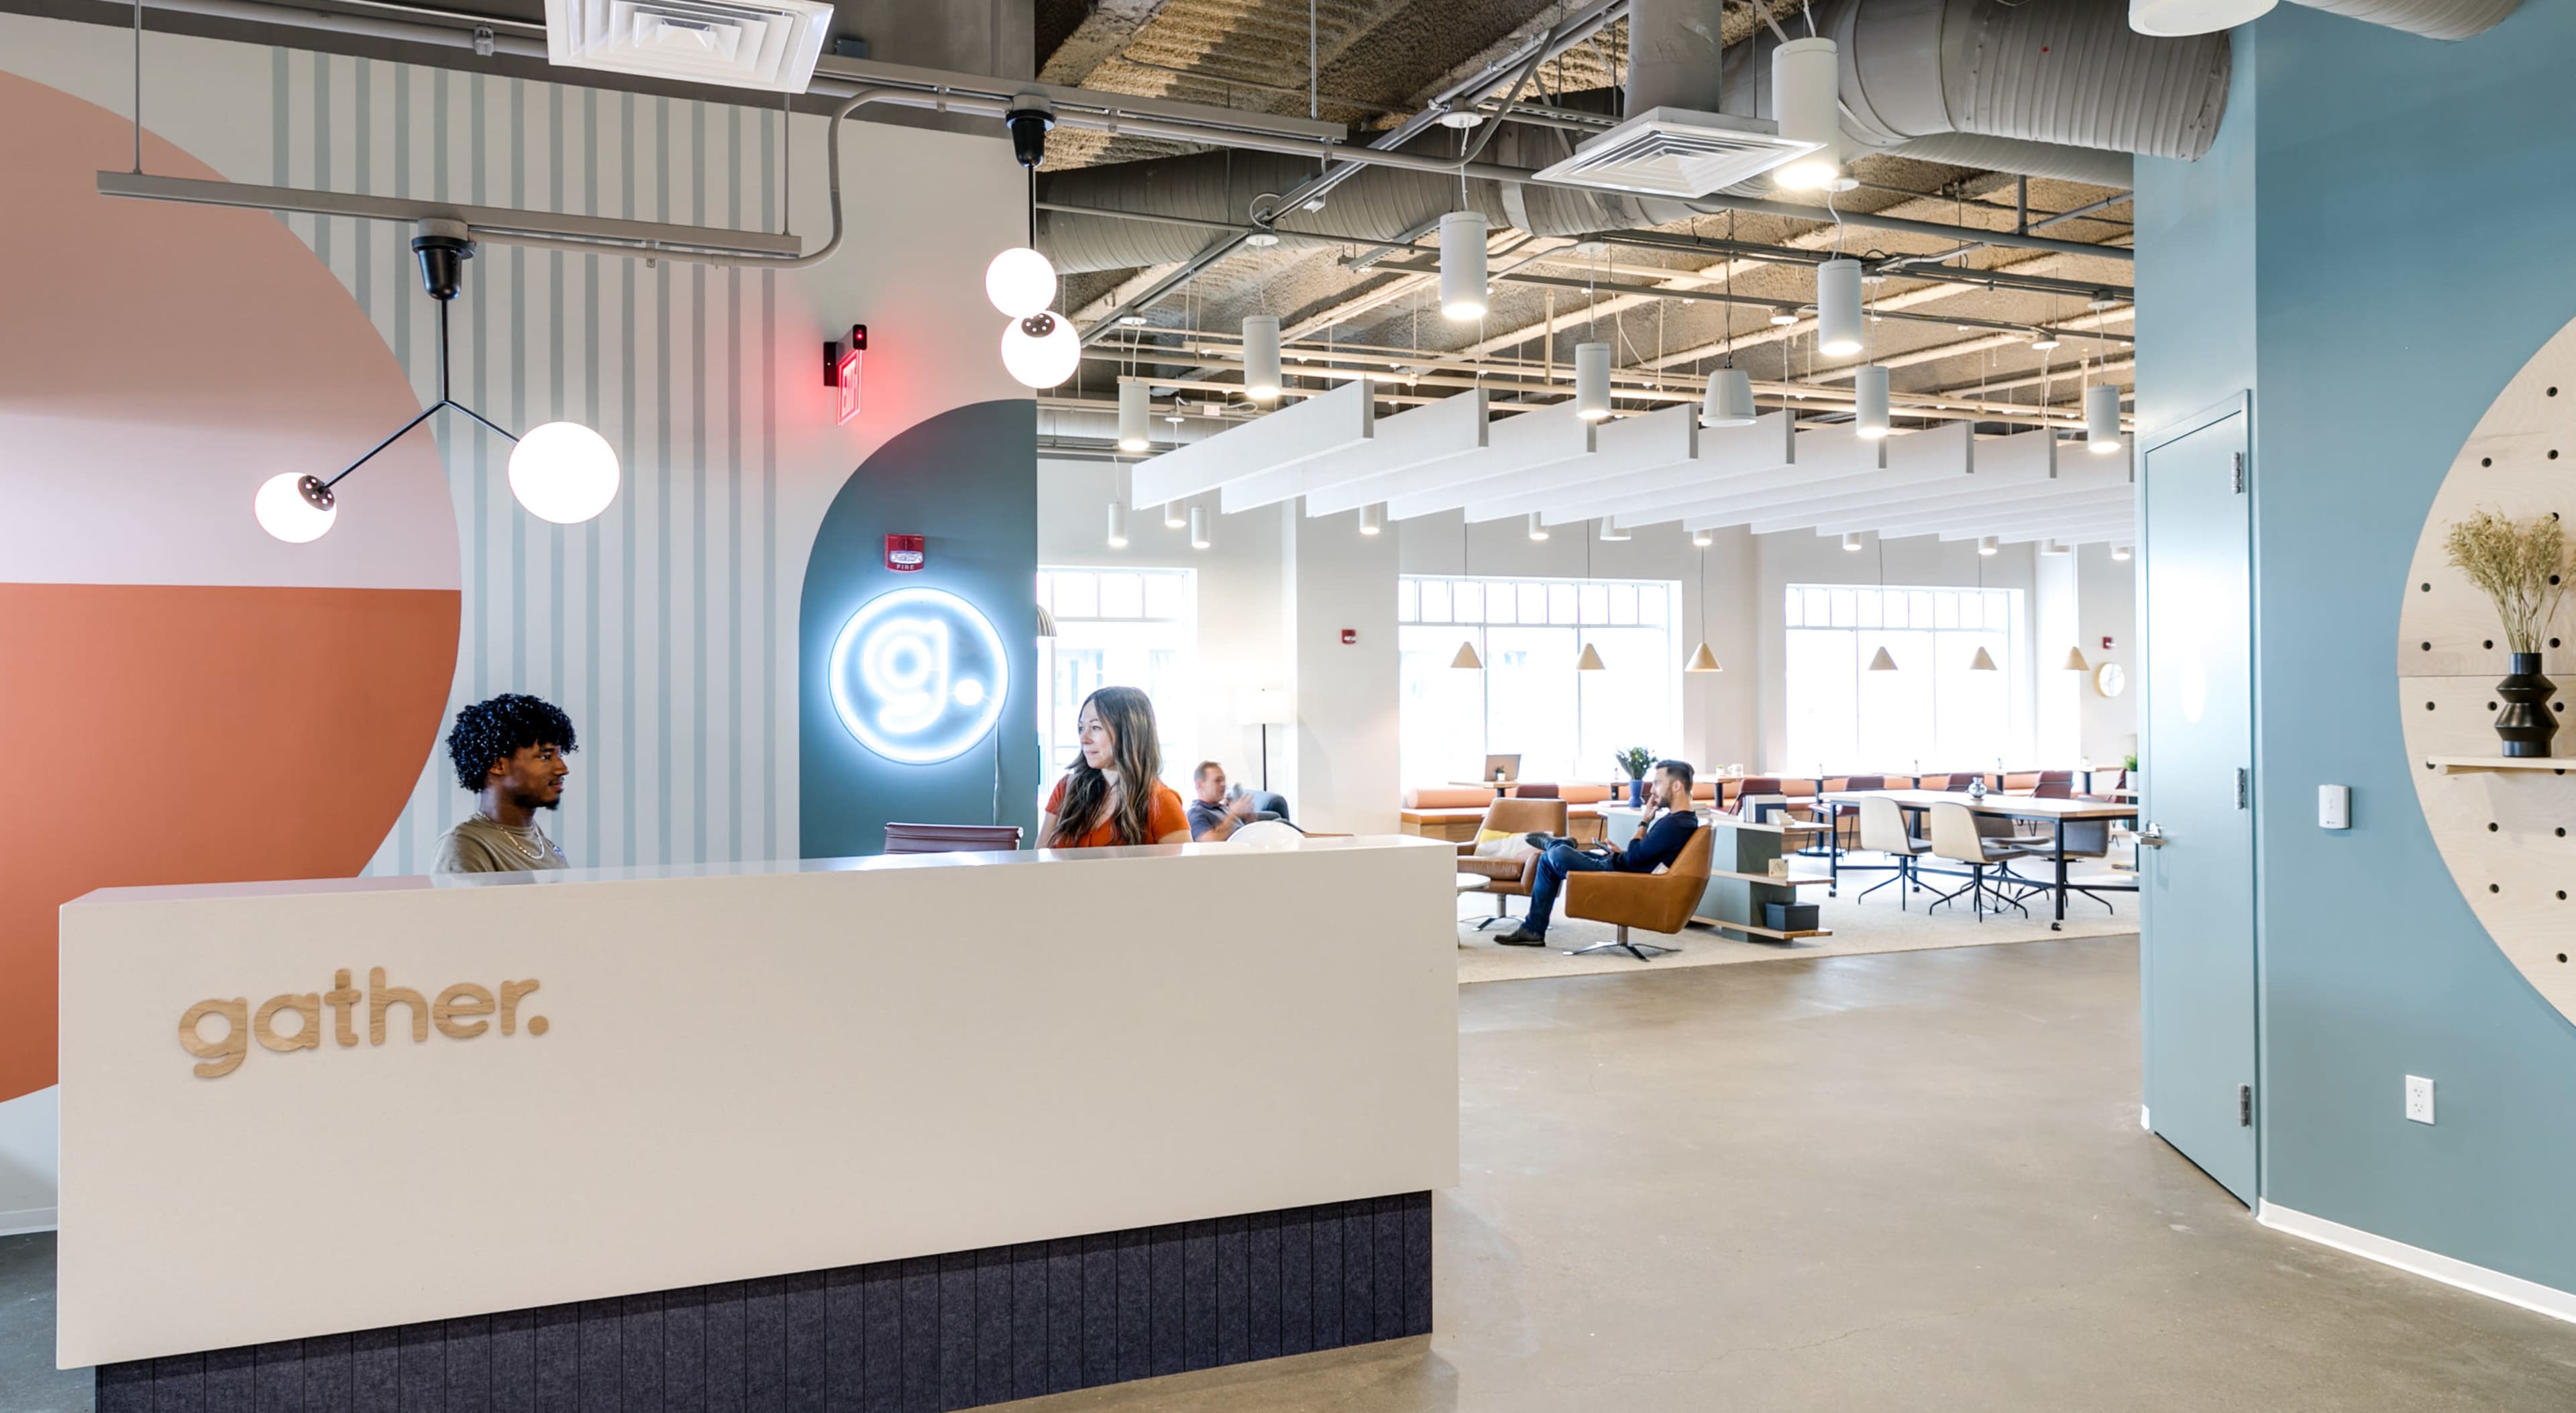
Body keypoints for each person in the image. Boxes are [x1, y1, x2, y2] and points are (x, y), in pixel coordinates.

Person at [1495, 759, 1700, 947]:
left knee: (1558, 855)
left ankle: (1553, 844)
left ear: (1676, 786)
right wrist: (1621, 853)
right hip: (1624, 866)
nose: (1653, 790)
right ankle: (1533, 930)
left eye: (1657, 783)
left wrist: (1645, 820)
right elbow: (1647, 855)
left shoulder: (1675, 824)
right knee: (1546, 861)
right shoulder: (1681, 820)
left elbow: (1638, 855)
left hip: (1627, 876)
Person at [433, 693, 576, 874]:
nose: (562, 769)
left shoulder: (543, 845)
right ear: (498, 765)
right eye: (545, 757)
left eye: (560, 756)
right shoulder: (465, 846)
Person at [1040, 686, 1193, 848]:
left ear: (1128, 732)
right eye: (1081, 728)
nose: (1084, 739)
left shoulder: (1161, 801)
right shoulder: (1066, 790)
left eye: (1096, 728)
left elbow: (1183, 872)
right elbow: (1039, 863)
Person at [1185, 761, 1265, 841]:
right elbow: (1210, 842)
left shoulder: (1223, 807)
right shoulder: (1195, 813)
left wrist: (1249, 818)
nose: (1224, 784)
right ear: (1199, 785)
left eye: (1224, 780)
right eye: (1218, 780)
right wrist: (1234, 814)